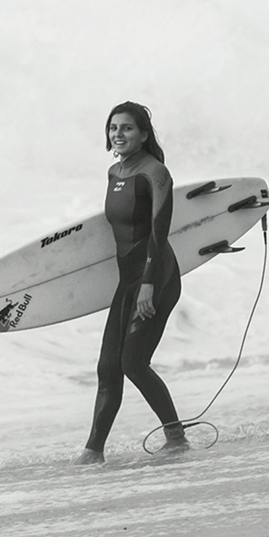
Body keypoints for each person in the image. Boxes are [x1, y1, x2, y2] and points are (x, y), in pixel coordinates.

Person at [74, 101, 186, 465]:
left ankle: (176, 436)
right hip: (128, 281)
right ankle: (93, 452)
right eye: (113, 128)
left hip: (157, 277)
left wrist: (149, 285)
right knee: (108, 367)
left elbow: (158, 229)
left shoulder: (155, 172)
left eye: (126, 128)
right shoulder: (114, 173)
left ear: (143, 134)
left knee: (133, 363)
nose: (118, 134)